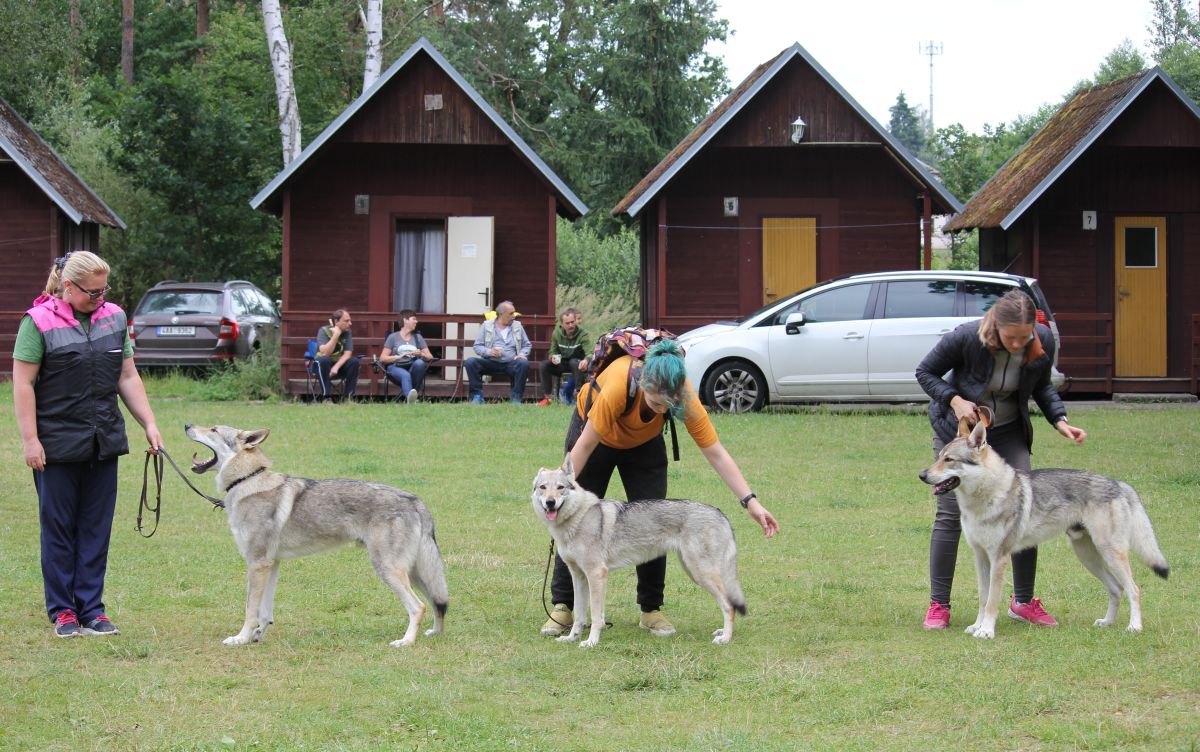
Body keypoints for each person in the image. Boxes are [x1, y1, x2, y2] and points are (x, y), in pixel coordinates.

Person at [540, 338, 780, 638]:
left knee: (655, 520)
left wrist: (750, 501)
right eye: (654, 403)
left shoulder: (684, 398)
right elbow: (585, 445)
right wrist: (558, 490)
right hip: (596, 440)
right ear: (644, 384)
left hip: (644, 444)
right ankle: (564, 606)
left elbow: (716, 452)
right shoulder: (617, 387)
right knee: (576, 523)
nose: (659, 409)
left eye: (666, 406)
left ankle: (650, 609)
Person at [915, 289, 1087, 630]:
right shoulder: (965, 337)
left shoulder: (1041, 340)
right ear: (996, 326)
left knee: (1023, 509)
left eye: (1026, 337)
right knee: (950, 514)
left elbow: (1042, 387)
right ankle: (939, 605)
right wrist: (953, 400)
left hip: (1008, 431)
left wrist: (1060, 420)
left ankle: (1022, 601)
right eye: (1012, 337)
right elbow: (925, 373)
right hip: (961, 433)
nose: (1019, 343)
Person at [12, 251, 163, 638]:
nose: (99, 298)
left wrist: (148, 423)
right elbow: (23, 384)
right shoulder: (38, 322)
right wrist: (31, 440)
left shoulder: (114, 317)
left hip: (103, 441)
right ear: (68, 286)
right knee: (59, 529)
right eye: (91, 292)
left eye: (103, 290)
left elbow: (126, 376)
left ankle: (92, 610)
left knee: (96, 529)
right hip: (56, 445)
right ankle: (63, 611)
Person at [464, 300, 531, 404]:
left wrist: (522, 354)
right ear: (501, 314)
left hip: (511, 363)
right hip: (491, 362)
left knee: (523, 363)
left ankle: (516, 398)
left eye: (514, 313)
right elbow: (477, 346)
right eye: (511, 313)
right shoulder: (487, 326)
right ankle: (477, 396)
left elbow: (527, 345)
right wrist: (489, 351)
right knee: (470, 362)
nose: (514, 316)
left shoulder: (517, 326)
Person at [537, 308, 590, 406]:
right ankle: (547, 398)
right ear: (561, 324)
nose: (571, 325)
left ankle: (580, 397)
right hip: (562, 362)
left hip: (578, 363)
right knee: (544, 365)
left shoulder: (583, 334)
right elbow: (552, 351)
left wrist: (586, 360)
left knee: (574, 362)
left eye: (572, 322)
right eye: (567, 323)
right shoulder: (556, 333)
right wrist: (552, 357)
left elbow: (589, 352)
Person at [381, 309, 433, 403]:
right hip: (395, 367)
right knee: (405, 375)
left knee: (420, 363)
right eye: (414, 319)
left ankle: (411, 399)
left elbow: (430, 356)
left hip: (413, 369)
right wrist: (399, 356)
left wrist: (421, 354)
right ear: (405, 320)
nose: (416, 321)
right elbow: (383, 358)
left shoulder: (418, 337)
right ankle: (413, 401)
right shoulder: (393, 337)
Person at [314, 309, 360, 402]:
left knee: (354, 361)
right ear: (336, 321)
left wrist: (336, 367)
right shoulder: (324, 330)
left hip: (337, 366)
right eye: (346, 321)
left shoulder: (347, 332)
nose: (350, 323)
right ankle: (326, 397)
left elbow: (348, 353)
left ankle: (348, 398)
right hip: (322, 367)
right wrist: (335, 335)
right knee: (324, 359)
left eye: (350, 320)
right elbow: (325, 353)